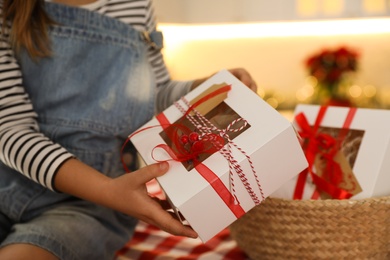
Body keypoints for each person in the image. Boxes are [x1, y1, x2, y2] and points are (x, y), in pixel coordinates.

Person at [0, 0, 257, 259]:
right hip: (22, 188)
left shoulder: (135, 6)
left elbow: (152, 99)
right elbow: (9, 130)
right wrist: (108, 190)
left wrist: (201, 89)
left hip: (91, 208)